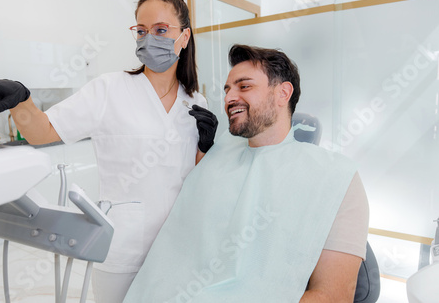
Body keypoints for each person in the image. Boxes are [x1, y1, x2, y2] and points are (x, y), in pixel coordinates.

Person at [0, 0, 218, 303]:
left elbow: (196, 177)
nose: (149, 38)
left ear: (184, 36)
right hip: (122, 248)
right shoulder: (109, 89)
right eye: (141, 30)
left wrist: (205, 146)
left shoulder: (196, 102)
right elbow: (42, 131)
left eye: (160, 30)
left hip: (177, 243)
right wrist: (22, 100)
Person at [123, 44, 369, 302]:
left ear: (283, 93)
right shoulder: (218, 156)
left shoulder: (335, 176)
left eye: (244, 86)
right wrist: (204, 153)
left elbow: (332, 295)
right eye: (228, 89)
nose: (229, 98)